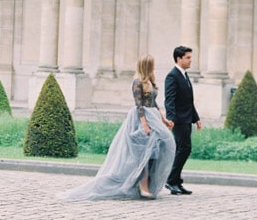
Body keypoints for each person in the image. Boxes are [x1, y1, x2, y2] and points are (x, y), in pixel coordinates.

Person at [61, 55, 175, 200]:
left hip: (153, 118)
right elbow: (139, 105)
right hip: (141, 119)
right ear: (146, 66)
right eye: (152, 65)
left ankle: (145, 185)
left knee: (155, 151)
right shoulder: (137, 82)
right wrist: (145, 124)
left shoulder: (151, 82)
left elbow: (154, 103)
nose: (154, 67)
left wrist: (164, 120)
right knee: (143, 153)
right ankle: (142, 185)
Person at [164, 45, 202, 195]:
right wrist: (171, 119)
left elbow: (188, 101)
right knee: (183, 149)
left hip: (187, 119)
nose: (190, 60)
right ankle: (171, 180)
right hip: (178, 120)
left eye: (190, 57)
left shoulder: (184, 75)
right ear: (179, 59)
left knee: (184, 149)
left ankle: (176, 181)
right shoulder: (172, 76)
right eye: (188, 57)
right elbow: (170, 100)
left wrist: (196, 118)